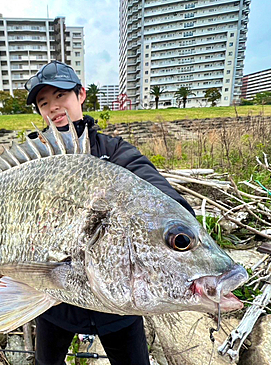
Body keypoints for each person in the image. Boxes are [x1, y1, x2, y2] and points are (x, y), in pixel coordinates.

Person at [25, 61, 195, 365]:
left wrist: (178, 227)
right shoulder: (31, 163)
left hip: (120, 305)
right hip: (56, 299)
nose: (53, 107)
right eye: (44, 102)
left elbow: (155, 186)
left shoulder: (114, 152)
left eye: (61, 96)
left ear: (81, 95)